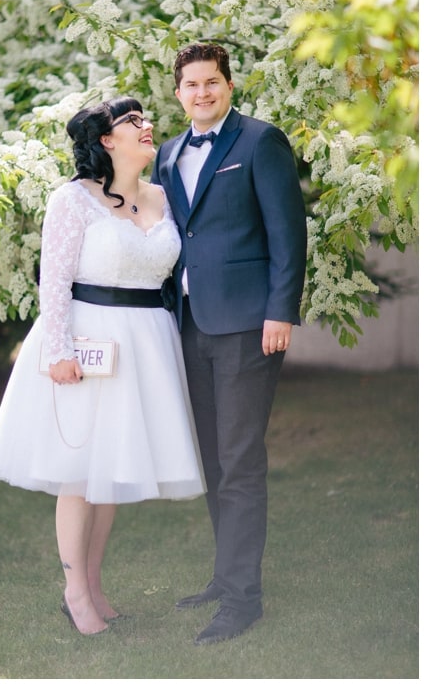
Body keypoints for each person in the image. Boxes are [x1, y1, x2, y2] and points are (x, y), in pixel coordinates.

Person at [0, 96, 206, 636]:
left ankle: (95, 583)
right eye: (133, 122)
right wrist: (57, 351)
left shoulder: (162, 196)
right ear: (107, 140)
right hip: (86, 339)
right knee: (79, 474)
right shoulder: (72, 200)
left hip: (146, 341)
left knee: (113, 471)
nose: (148, 126)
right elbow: (53, 281)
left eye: (145, 118)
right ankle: (74, 592)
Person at [152, 42, 307, 646]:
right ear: (178, 93)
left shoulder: (259, 142)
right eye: (191, 85)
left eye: (211, 82)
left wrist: (280, 311)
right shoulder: (167, 154)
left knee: (240, 461)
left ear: (229, 84)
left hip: (248, 326)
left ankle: (244, 601)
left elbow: (287, 232)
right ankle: (225, 576)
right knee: (213, 459)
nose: (202, 93)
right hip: (190, 325)